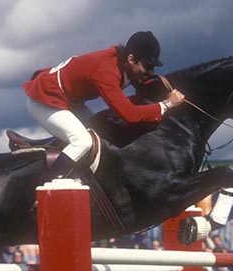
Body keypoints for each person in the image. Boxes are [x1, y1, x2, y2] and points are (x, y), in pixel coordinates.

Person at [23, 31, 185, 181]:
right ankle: (49, 185)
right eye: (147, 66)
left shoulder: (123, 64)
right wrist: (167, 104)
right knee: (82, 141)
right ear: (130, 59)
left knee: (100, 128)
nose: (150, 72)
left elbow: (147, 86)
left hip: (68, 101)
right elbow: (129, 115)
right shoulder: (105, 71)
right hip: (44, 100)